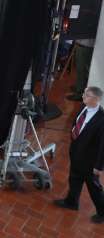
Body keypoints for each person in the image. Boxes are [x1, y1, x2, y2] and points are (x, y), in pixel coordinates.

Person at [52, 87, 104, 224]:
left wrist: (99, 165)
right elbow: (77, 124)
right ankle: (72, 202)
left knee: (93, 186)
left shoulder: (102, 119)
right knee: (74, 178)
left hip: (89, 160)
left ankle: (103, 213)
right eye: (84, 94)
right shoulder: (84, 107)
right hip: (76, 152)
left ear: (96, 99)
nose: (83, 97)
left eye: (87, 95)